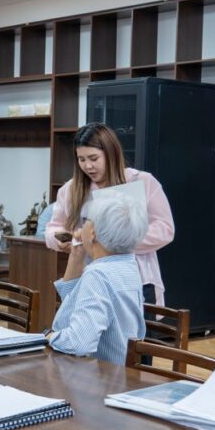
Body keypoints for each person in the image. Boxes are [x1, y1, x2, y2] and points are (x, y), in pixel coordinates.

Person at [45, 123, 174, 306]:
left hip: (137, 279)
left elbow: (165, 229)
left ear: (111, 153)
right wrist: (59, 240)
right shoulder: (71, 189)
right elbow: (52, 229)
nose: (88, 166)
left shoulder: (142, 181)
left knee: (136, 325)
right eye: (81, 159)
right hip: (90, 278)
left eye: (94, 158)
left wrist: (115, 241)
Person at [46, 195, 147, 365]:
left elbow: (79, 343)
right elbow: (73, 307)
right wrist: (77, 256)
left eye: (85, 221)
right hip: (122, 371)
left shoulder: (98, 274)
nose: (80, 227)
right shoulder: (128, 265)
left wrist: (49, 336)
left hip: (98, 374)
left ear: (92, 232)